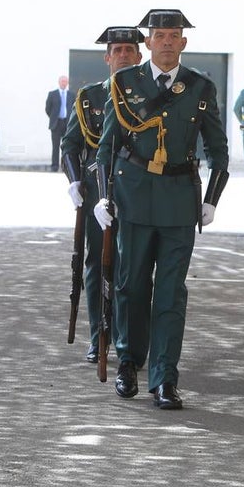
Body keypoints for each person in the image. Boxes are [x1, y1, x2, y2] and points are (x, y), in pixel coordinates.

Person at [94, 9, 229, 410]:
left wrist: (211, 200)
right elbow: (107, 148)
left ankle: (165, 378)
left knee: (171, 294)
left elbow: (218, 150)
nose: (167, 41)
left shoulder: (200, 86)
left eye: (174, 35)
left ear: (183, 43)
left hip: (178, 202)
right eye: (160, 35)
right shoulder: (124, 82)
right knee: (130, 286)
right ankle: (128, 361)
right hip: (133, 197)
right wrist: (104, 195)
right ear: (147, 42)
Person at [60, 26, 144, 364]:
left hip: (139, 189)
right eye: (118, 50)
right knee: (97, 264)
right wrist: (73, 180)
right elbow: (71, 144)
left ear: (140, 56)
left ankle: (128, 338)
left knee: (133, 267)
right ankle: (99, 335)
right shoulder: (89, 97)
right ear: (107, 57)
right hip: (99, 191)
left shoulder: (151, 95)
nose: (124, 55)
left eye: (129, 49)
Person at [46, 75, 71, 171]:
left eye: (65, 81)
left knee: (67, 147)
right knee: (55, 146)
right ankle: (55, 166)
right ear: (59, 82)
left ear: (67, 83)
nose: (64, 83)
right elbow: (48, 109)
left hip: (67, 123)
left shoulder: (71, 94)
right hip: (56, 124)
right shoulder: (52, 94)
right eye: (62, 81)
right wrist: (53, 118)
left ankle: (66, 166)